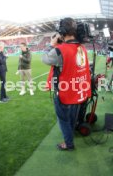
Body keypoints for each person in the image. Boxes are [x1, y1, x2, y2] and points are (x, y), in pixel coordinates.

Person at [42, 17, 91, 151]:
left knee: (63, 120)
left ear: (62, 32)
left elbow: (45, 58)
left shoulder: (60, 50)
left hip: (65, 94)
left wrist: (52, 44)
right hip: (79, 93)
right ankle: (71, 132)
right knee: (72, 118)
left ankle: (69, 143)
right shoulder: (82, 48)